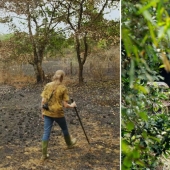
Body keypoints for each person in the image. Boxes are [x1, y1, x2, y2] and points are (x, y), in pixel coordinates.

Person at [40, 70, 77, 161]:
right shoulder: (63, 88)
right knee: (64, 129)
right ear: (62, 77)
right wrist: (72, 105)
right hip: (58, 113)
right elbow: (65, 105)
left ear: (54, 76)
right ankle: (69, 144)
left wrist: (43, 112)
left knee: (46, 132)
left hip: (48, 113)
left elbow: (43, 101)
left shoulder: (48, 85)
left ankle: (44, 155)